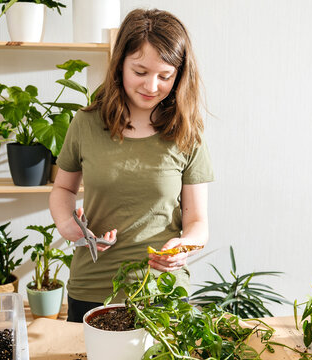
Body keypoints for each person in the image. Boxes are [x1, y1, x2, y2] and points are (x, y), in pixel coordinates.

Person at [49, 8, 214, 323]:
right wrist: (65, 222)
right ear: (119, 65)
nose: (152, 86)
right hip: (92, 287)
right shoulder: (85, 124)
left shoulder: (187, 133)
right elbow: (63, 188)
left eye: (165, 76)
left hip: (161, 292)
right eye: (140, 72)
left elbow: (198, 223)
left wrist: (184, 245)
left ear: (179, 75)